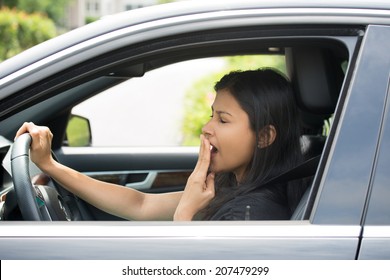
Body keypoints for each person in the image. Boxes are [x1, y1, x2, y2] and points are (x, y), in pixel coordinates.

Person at [15, 68, 306, 221]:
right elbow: (140, 204)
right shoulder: (233, 186)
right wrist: (50, 165)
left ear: (265, 136)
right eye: (210, 116)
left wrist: (185, 213)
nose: (206, 128)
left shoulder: (252, 215)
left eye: (223, 120)